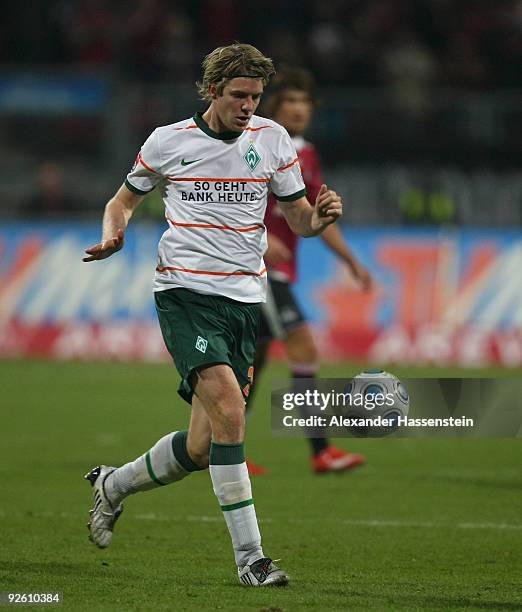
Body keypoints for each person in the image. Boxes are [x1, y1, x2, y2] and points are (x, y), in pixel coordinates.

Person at [82, 44, 343, 587]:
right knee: (230, 410)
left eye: (255, 96)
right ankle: (252, 558)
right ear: (211, 92)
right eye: (238, 95)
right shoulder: (169, 140)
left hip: (244, 302)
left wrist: (317, 220)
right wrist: (114, 233)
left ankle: (113, 485)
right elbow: (122, 201)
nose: (248, 106)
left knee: (202, 447)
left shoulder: (272, 141)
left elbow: (296, 218)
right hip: (184, 293)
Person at [245, 67, 372, 476]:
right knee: (304, 348)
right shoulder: (255, 145)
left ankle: (226, 450)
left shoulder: (308, 154)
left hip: (278, 271)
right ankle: (321, 451)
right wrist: (262, 241)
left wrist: (350, 260)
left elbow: (318, 215)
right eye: (290, 102)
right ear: (275, 108)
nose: (299, 110)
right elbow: (234, 203)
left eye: (305, 103)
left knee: (255, 360)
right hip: (255, 269)